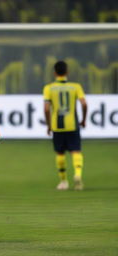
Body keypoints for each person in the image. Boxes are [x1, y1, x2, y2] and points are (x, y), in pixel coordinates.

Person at [43, 61, 87, 191]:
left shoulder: (48, 88)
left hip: (57, 126)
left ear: (55, 73)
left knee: (60, 153)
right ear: (67, 72)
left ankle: (63, 182)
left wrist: (49, 125)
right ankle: (78, 175)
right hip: (72, 124)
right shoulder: (76, 87)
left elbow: (46, 109)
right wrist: (83, 119)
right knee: (76, 151)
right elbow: (84, 104)